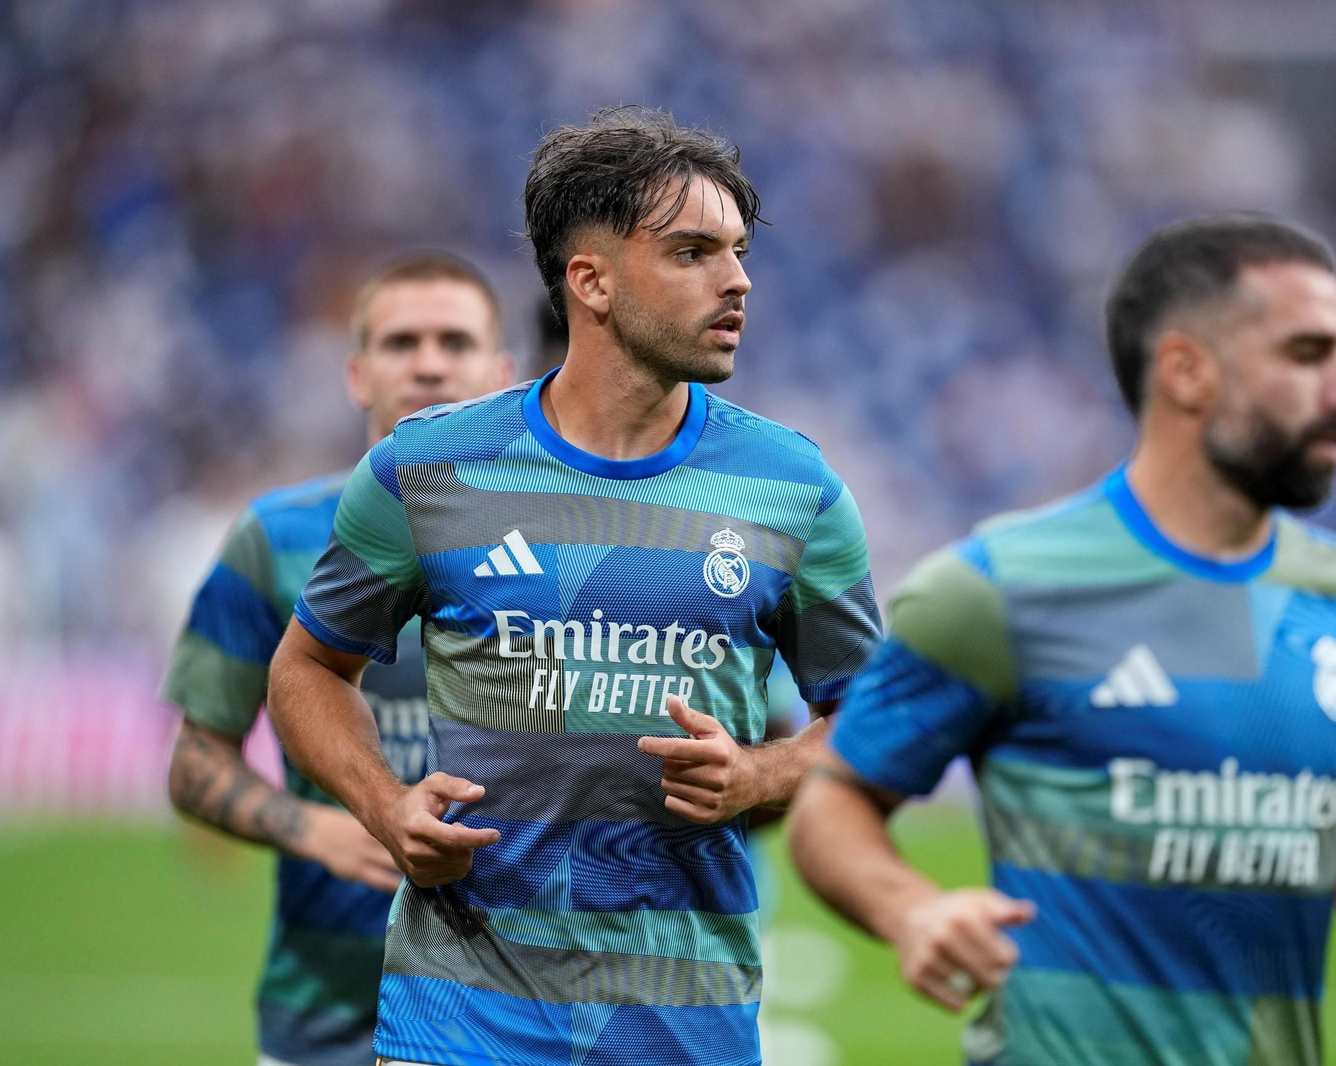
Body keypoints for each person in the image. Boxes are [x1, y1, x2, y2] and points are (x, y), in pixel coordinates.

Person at [789, 217, 1336, 1065]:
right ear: (1187, 370)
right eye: (1308, 354)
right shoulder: (997, 587)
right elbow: (832, 806)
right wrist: (910, 909)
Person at [267, 106, 882, 1066]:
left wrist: (761, 773)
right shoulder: (427, 471)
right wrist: (386, 808)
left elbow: (878, 716)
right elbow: (307, 669)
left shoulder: (792, 488)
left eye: (736, 251)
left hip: (684, 1031)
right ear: (589, 282)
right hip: (458, 1025)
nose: (738, 280)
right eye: (692, 253)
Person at [163, 252, 516, 1066]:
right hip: (325, 1014)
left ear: (502, 374)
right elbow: (194, 761)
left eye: (455, 342)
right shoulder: (276, 538)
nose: (428, 362)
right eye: (401, 343)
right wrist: (315, 826)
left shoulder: (572, 543)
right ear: (358, 374)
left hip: (511, 1009)